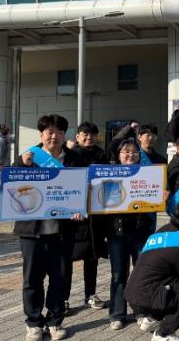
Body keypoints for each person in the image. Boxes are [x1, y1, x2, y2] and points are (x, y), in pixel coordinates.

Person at [13, 114, 86, 341]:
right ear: (41, 134)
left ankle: (55, 321)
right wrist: (22, 166)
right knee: (32, 279)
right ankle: (34, 323)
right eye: (49, 132)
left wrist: (79, 209)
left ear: (65, 135)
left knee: (59, 278)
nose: (54, 136)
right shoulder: (28, 157)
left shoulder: (75, 159)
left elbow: (85, 188)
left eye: (59, 132)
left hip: (62, 231)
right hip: (31, 230)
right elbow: (10, 185)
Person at [124, 200, 179, 341]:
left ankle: (152, 318)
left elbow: (169, 258)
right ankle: (163, 333)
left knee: (176, 285)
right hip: (148, 297)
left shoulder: (166, 229)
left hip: (134, 294)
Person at [105, 139, 157, 330]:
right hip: (117, 232)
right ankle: (117, 314)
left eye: (134, 152)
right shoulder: (109, 175)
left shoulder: (148, 175)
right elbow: (105, 203)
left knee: (141, 272)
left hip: (140, 231)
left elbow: (153, 200)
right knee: (118, 274)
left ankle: (141, 311)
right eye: (126, 152)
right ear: (118, 155)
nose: (130, 155)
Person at [63, 122, 108, 314]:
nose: (89, 137)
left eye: (92, 134)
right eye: (85, 134)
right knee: (66, 260)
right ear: (78, 136)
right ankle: (63, 299)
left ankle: (90, 294)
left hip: (95, 215)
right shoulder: (70, 153)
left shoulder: (101, 155)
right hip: (74, 215)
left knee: (92, 258)